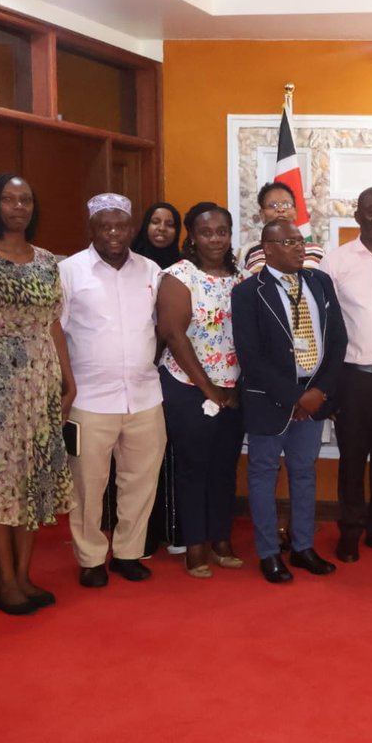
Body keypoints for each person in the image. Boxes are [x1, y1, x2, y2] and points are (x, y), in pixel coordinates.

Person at [0, 173, 76, 615]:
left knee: (35, 481)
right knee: (2, 480)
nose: (18, 207)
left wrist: (69, 379)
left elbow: (54, 323)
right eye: (8, 199)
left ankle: (26, 576)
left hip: (42, 383)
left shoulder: (47, 260)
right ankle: (5, 582)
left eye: (25, 199)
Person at [59, 193, 167, 588]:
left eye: (120, 225)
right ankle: (90, 558)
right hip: (89, 400)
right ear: (92, 229)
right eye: (104, 226)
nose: (113, 233)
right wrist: (65, 387)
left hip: (144, 396)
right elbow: (56, 334)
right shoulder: (69, 272)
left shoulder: (151, 271)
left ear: (131, 227)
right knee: (88, 486)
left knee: (140, 480)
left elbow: (163, 327)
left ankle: (127, 553)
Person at [233, 219, 347, 583]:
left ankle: (302, 547)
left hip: (314, 398)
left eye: (301, 241)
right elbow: (250, 357)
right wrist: (295, 396)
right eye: (289, 242)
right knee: (264, 475)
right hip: (270, 400)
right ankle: (268, 553)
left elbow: (338, 341)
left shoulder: (320, 282)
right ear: (267, 248)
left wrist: (318, 393)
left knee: (304, 473)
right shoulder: (249, 292)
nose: (300, 248)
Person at [157, 202, 244, 579]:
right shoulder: (179, 276)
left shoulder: (240, 279)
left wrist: (235, 386)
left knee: (225, 465)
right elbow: (174, 335)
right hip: (186, 385)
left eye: (222, 231)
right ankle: (195, 545)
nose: (215, 239)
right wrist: (208, 389)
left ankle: (221, 539)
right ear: (192, 236)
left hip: (233, 388)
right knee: (194, 467)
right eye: (206, 232)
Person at [320, 187, 372, 562]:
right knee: (352, 458)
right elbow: (324, 328)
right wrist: (328, 385)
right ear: (358, 215)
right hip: (353, 377)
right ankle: (350, 530)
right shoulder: (334, 263)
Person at [127, 201, 183, 556]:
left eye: (169, 224)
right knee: (136, 459)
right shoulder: (128, 264)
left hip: (173, 371)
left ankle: (172, 528)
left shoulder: (182, 269)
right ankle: (138, 535)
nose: (161, 229)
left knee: (170, 455)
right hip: (136, 370)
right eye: (155, 222)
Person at [238, 181, 322, 274]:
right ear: (262, 215)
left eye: (286, 205)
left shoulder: (317, 251)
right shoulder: (248, 251)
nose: (280, 209)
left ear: (295, 212)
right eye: (273, 205)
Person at [131, 201, 181, 271]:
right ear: (146, 226)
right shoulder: (129, 261)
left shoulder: (183, 267)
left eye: (169, 224)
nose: (162, 228)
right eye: (155, 222)